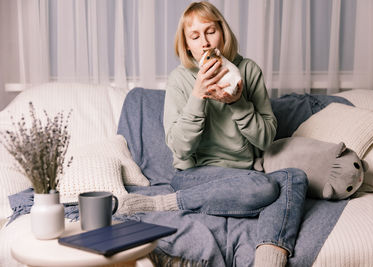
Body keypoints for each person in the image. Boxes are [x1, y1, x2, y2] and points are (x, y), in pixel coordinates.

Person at [117, 2, 308, 266]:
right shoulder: (180, 79)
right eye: (195, 36)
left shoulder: (248, 70)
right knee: (263, 187)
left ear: (223, 33)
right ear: (186, 46)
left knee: (295, 177)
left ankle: (269, 257)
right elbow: (180, 149)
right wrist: (198, 95)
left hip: (244, 173)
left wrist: (237, 102)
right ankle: (164, 203)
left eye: (210, 31)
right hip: (194, 176)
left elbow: (266, 139)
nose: (205, 42)